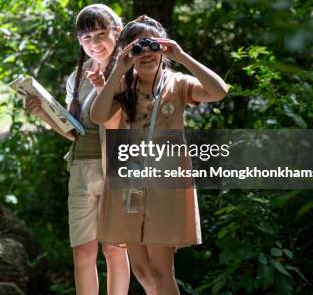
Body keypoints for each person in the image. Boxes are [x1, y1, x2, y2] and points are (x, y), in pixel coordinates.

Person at [90, 15, 229, 295]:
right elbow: (98, 115)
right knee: (142, 271)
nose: (146, 53)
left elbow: (219, 91)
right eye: (137, 47)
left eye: (152, 45)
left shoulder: (176, 84)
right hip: (129, 183)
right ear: (128, 52)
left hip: (163, 184)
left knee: (161, 270)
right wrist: (118, 70)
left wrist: (182, 56)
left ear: (163, 48)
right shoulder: (123, 86)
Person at [26, 4, 130, 295]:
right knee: (82, 253)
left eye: (101, 34)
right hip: (81, 169)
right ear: (78, 41)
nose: (95, 44)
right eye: (86, 38)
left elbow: (121, 125)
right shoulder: (76, 77)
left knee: (114, 250)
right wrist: (44, 114)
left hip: (117, 169)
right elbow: (74, 133)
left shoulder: (128, 72)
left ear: (117, 31)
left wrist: (102, 89)